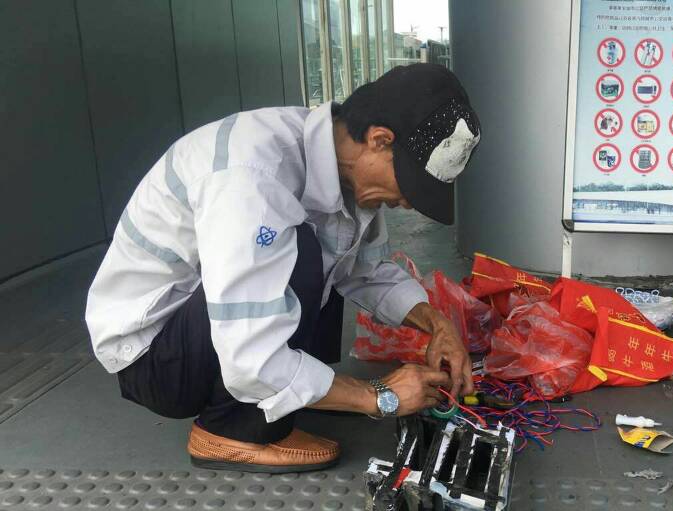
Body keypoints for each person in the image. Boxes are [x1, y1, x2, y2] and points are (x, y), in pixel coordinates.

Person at [85, 64, 481, 474]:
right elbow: (249, 356)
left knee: (328, 248)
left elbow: (365, 270)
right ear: (379, 140)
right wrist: (379, 396)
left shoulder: (334, 163)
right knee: (302, 250)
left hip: (207, 326)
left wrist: (437, 324)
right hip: (154, 357)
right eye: (411, 185)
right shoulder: (252, 176)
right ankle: (231, 430)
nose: (409, 203)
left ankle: (295, 389)